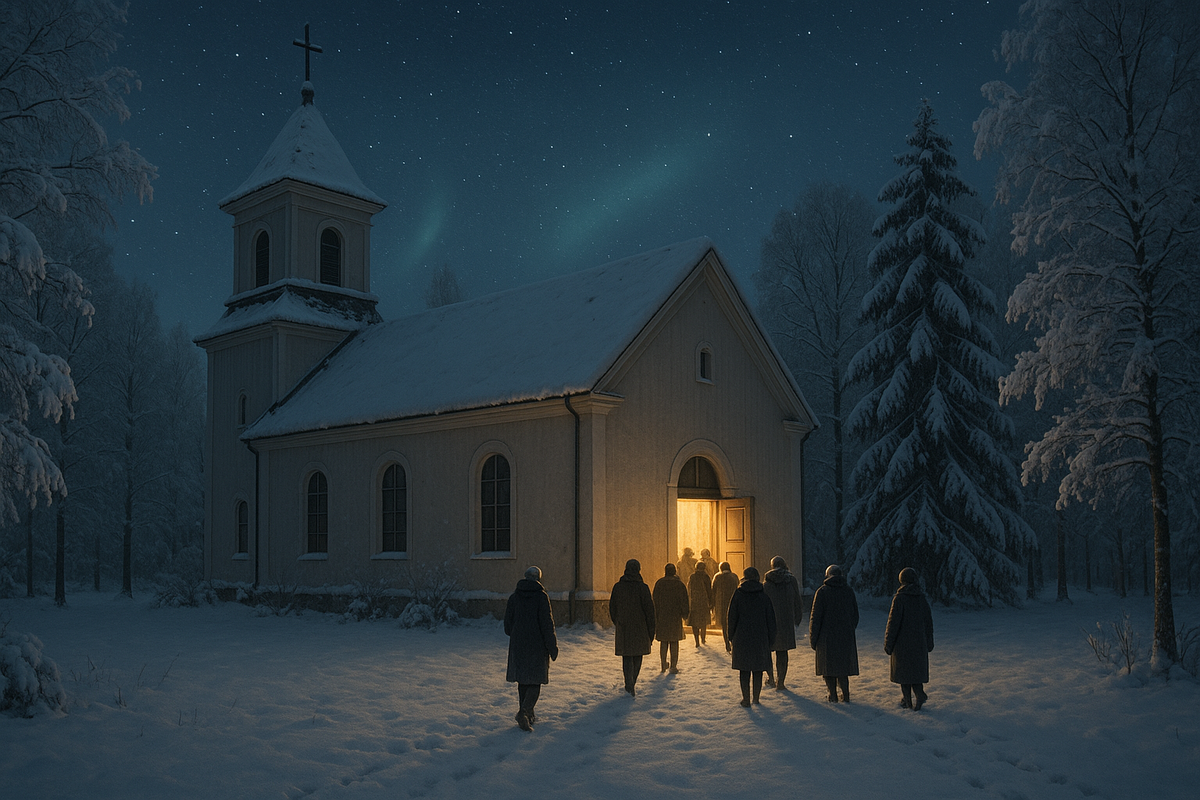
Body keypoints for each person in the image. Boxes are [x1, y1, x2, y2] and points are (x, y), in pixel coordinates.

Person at [504, 565, 558, 731]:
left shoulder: (514, 597)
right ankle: (525, 712)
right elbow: (546, 624)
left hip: (519, 645)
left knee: (523, 680)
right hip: (537, 645)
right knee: (535, 681)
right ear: (538, 578)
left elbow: (507, 626)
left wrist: (517, 633)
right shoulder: (541, 597)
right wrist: (552, 646)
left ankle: (528, 715)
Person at [884, 567, 935, 710]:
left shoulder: (899, 598)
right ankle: (919, 694)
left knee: (904, 674)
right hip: (919, 643)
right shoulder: (922, 599)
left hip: (902, 644)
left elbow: (893, 623)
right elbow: (928, 622)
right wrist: (929, 642)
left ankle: (907, 700)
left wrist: (889, 644)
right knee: (915, 673)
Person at [809, 564, 859, 702]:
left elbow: (816, 618)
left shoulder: (822, 592)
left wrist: (814, 638)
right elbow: (855, 615)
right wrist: (848, 629)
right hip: (844, 636)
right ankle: (846, 693)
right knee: (843, 667)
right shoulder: (848, 591)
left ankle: (832, 694)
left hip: (826, 637)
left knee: (828, 667)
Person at [727, 566, 776, 707]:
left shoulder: (738, 594)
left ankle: (746, 698)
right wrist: (771, 639)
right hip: (760, 637)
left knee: (744, 670)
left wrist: (731, 636)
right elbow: (770, 619)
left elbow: (732, 617)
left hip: (741, 637)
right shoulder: (764, 596)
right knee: (758, 669)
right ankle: (756, 698)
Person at [609, 558, 656, 696]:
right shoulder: (643, 588)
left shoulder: (618, 587)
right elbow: (649, 611)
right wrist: (651, 631)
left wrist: (618, 621)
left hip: (624, 627)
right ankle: (632, 682)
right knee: (637, 655)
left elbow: (612, 607)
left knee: (627, 656)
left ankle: (628, 684)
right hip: (640, 628)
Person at [762, 555, 804, 690]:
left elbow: (762, 603)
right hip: (786, 622)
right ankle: (781, 682)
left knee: (767, 651)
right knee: (782, 652)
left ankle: (771, 678)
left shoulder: (767, 582)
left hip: (769, 622)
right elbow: (797, 601)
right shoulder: (791, 580)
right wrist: (797, 619)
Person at [652, 563, 689, 673]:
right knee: (674, 641)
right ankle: (673, 665)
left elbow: (655, 600)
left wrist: (656, 614)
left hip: (662, 616)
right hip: (675, 616)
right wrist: (685, 614)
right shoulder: (679, 584)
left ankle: (663, 663)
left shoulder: (659, 583)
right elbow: (684, 600)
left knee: (664, 641)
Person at [711, 561, 739, 653]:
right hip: (733, 602)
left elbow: (713, 590)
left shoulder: (717, 577)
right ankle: (733, 642)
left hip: (721, 603)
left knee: (724, 624)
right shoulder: (734, 576)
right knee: (734, 622)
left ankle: (727, 643)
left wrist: (713, 604)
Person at [687, 561, 714, 646]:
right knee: (703, 621)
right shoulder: (706, 576)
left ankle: (697, 641)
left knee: (694, 622)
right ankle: (703, 638)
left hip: (694, 601)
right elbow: (709, 590)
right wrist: (710, 602)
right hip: (703, 601)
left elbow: (689, 588)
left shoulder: (692, 577)